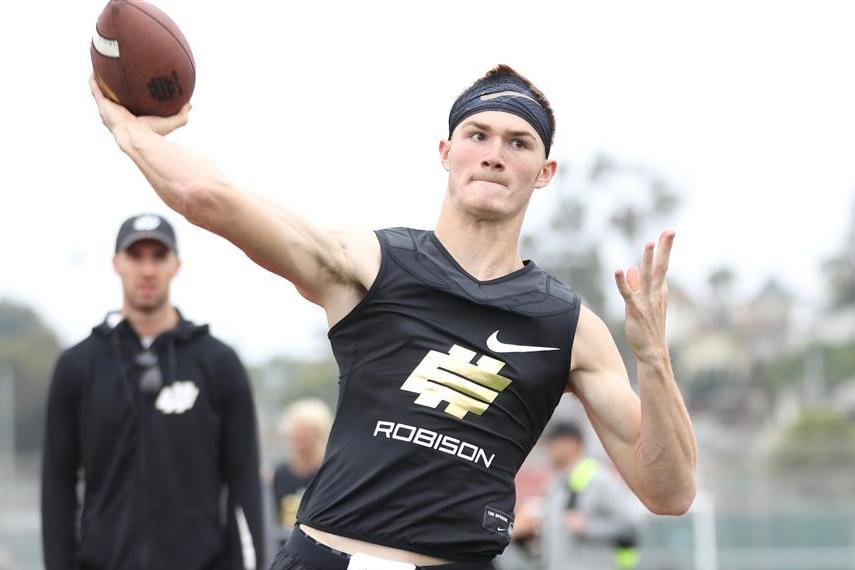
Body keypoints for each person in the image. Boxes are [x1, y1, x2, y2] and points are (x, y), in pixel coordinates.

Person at [90, 64, 697, 569]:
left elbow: (668, 492)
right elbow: (210, 198)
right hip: (325, 557)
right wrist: (130, 132)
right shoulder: (371, 263)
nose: (494, 155)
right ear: (446, 152)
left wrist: (653, 357)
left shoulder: (569, 326)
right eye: (478, 135)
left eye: (518, 143)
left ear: (544, 173)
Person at [41, 214, 266, 570]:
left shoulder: (218, 363)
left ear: (176, 265)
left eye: (158, 256)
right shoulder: (77, 366)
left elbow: (245, 482)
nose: (147, 270)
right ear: (117, 263)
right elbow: (57, 484)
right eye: (136, 256)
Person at [541, 422, 642, 570]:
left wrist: (588, 527)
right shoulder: (556, 487)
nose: (548, 449)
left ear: (572, 444)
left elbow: (632, 526)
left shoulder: (600, 480)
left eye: (553, 443)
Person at [271, 399, 332, 546]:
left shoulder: (328, 473)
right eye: (295, 430)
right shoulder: (279, 473)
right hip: (284, 547)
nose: (299, 434)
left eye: (305, 430)